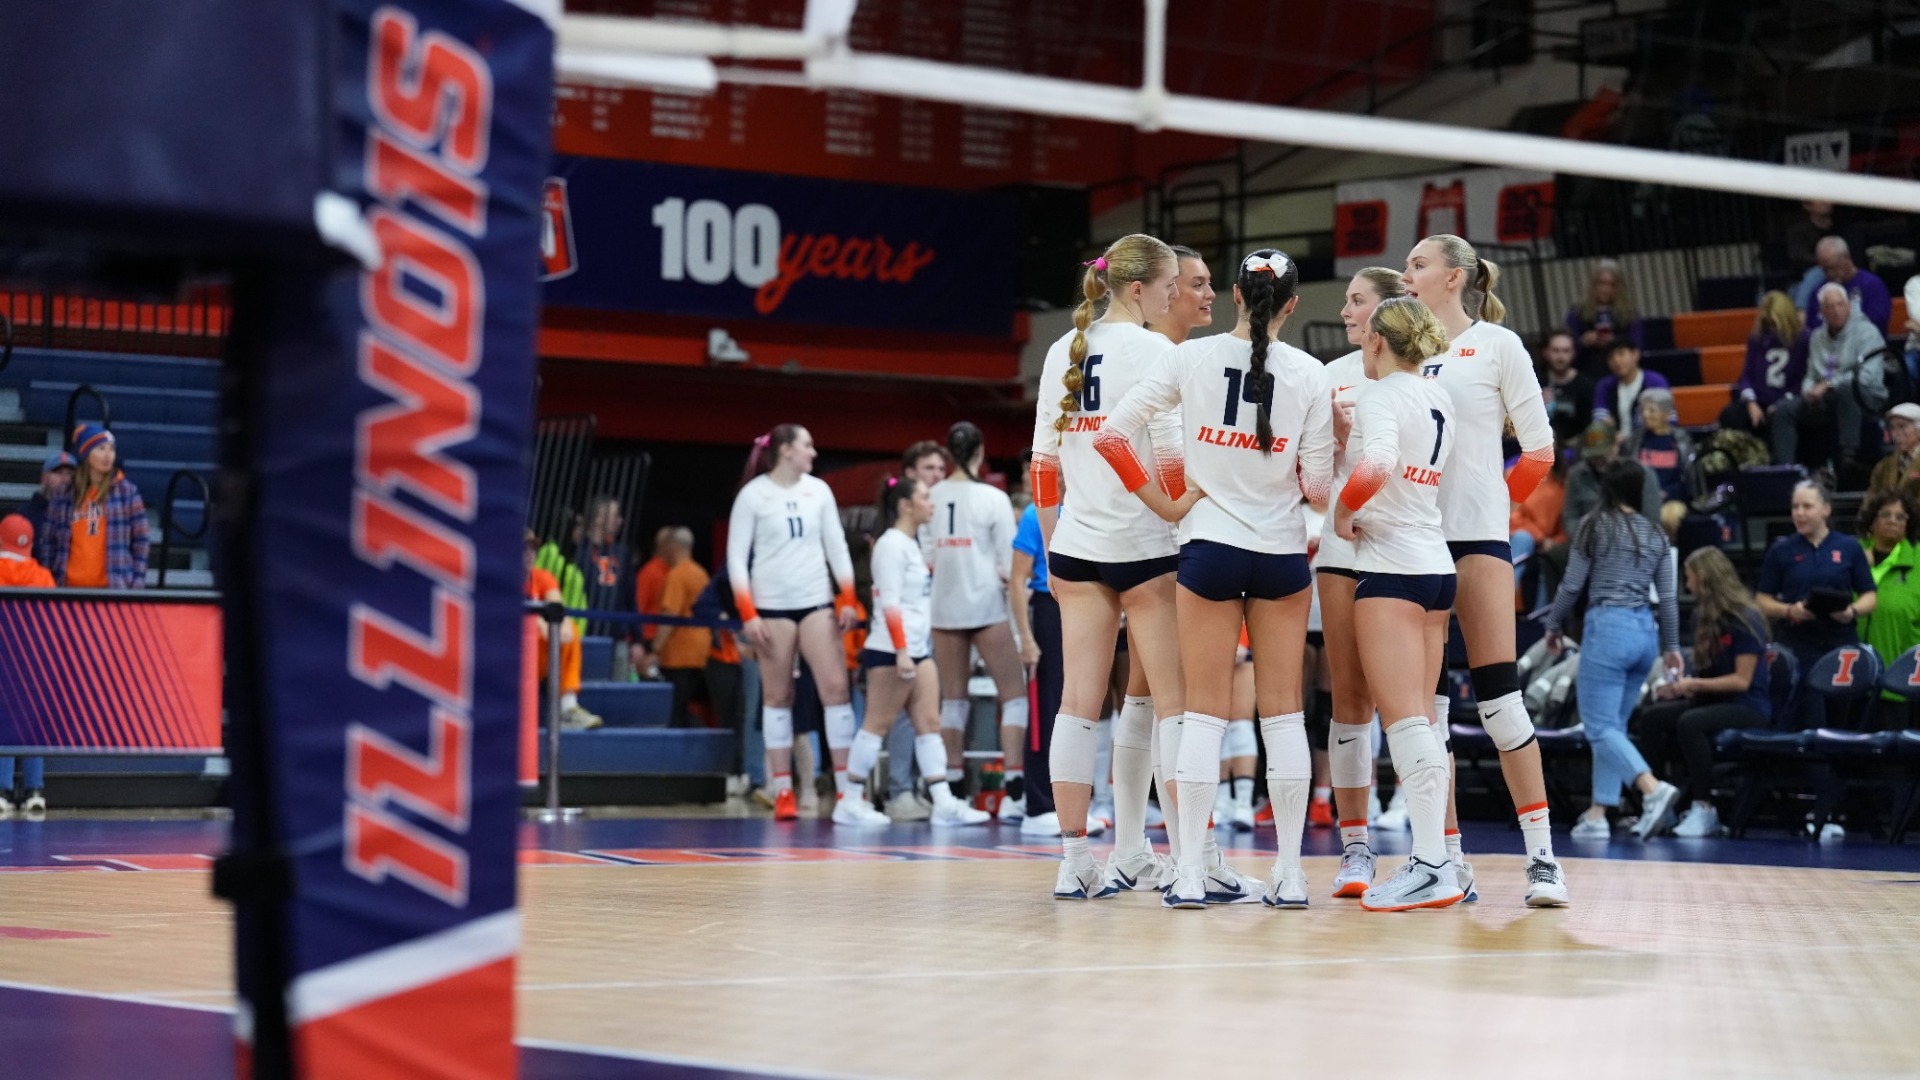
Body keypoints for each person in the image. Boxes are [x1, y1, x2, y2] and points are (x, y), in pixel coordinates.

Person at [1097, 248, 1334, 908]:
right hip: (1284, 555)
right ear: (1291, 305)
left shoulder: (1188, 359)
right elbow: (1317, 492)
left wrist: (1169, 503)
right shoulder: (1312, 374)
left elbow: (1113, 437)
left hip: (1209, 548)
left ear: (1234, 295)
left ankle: (1193, 872)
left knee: (1201, 718)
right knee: (1284, 719)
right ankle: (1289, 872)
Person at [1030, 233, 1202, 900]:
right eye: (1167, 286)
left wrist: (1052, 548)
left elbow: (1044, 463)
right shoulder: (1156, 350)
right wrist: (1189, 515)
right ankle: (1191, 860)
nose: (1173, 296)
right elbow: (1170, 459)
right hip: (1146, 545)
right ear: (1138, 289)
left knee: (1078, 704)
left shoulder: (1060, 350)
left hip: (1075, 545)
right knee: (1174, 705)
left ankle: (1076, 859)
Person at [1402, 234, 1568, 907]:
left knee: (1500, 701)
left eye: (1418, 265)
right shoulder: (1400, 353)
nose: (1406, 275)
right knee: (1427, 712)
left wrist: (1496, 503)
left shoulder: (1496, 346)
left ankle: (1544, 860)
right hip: (1412, 546)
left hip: (1476, 541)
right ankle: (1447, 860)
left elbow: (1539, 452)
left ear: (1456, 276)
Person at [1330, 296, 1462, 911]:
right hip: (1436, 565)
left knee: (1405, 721)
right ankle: (1440, 861)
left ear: (1378, 341)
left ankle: (1432, 866)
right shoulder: (1438, 396)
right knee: (1424, 722)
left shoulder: (1380, 394)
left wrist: (1344, 510)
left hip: (1392, 568)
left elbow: (1379, 462)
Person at [1314, 265, 1405, 899]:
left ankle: (1439, 849)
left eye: (1357, 301)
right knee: (1348, 699)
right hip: (1342, 549)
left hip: (1403, 549)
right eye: (1345, 301)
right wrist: (1339, 444)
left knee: (1414, 707)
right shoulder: (1329, 377)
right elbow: (1313, 482)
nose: (1347, 312)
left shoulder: (1424, 376)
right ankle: (1355, 849)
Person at [1543, 460, 1684, 842]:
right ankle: (1598, 813)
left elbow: (1572, 586)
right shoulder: (1656, 532)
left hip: (1609, 628)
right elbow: (1668, 599)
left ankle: (1652, 789)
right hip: (1646, 633)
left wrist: (1553, 625)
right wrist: (1672, 647)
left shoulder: (1594, 524)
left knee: (1598, 726)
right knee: (1613, 728)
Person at [727, 424, 862, 821]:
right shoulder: (753, 496)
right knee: (777, 695)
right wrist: (748, 614)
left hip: (816, 600)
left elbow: (835, 545)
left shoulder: (819, 490)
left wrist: (848, 598)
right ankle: (782, 787)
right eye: (807, 444)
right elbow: (737, 558)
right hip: (771, 607)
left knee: (836, 688)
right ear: (786, 450)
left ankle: (844, 791)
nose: (813, 452)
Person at [839, 476, 991, 827]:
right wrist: (902, 651)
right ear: (906, 505)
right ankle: (849, 799)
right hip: (892, 649)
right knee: (877, 724)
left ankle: (943, 804)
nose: (932, 502)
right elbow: (889, 603)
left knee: (929, 725)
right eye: (925, 496)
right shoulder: (890, 545)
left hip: (917, 648)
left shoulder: (910, 545)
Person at [927, 422, 1030, 822]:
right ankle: (1014, 789)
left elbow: (926, 554)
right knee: (1014, 695)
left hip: (945, 608)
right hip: (987, 606)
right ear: (980, 451)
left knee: (952, 700)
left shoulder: (932, 495)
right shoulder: (992, 497)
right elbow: (1009, 560)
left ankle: (953, 793)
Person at [1633, 547, 1773, 839]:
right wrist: (1678, 687)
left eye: (1690, 577)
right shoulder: (1702, 617)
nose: (1687, 585)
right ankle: (1659, 802)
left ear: (1706, 579)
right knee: (1652, 717)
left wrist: (1693, 686)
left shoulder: (1745, 618)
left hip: (1749, 706)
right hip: (1715, 700)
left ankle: (1704, 807)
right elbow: (1708, 675)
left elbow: (1741, 682)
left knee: (1691, 722)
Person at [1754, 481, 1877, 731]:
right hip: (1799, 644)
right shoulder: (1781, 550)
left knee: (1841, 720)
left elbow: (1870, 596)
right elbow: (1761, 600)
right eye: (1795, 507)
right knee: (1810, 717)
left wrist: (1852, 611)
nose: (1799, 513)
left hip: (1840, 644)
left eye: (1807, 506)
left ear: (1826, 510)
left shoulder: (1849, 547)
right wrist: (1788, 610)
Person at [884, 439, 953, 821]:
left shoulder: (932, 516)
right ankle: (898, 791)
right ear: (909, 476)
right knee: (895, 713)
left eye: (941, 470)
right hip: (901, 635)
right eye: (929, 470)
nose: (937, 477)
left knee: (926, 713)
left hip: (928, 623)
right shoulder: (895, 536)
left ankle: (928, 790)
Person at [1771, 282, 1889, 473]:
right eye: (1830, 306)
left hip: (1865, 397)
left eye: (1840, 304)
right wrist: (1809, 391)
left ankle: (1849, 455)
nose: (1836, 311)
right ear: (1821, 312)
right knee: (1784, 410)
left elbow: (1868, 377)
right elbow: (1811, 375)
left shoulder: (1868, 333)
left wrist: (1828, 384)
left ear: (1849, 306)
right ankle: (1786, 470)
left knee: (1846, 388)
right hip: (1827, 401)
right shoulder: (1817, 337)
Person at [1009, 494, 1064, 835]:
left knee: (1077, 709)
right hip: (1048, 607)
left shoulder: (1089, 500)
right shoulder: (1035, 512)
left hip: (1083, 605)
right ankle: (1039, 803)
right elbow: (1017, 580)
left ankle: (1070, 802)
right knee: (1046, 705)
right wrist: (1026, 639)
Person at [39, 425, 147, 590]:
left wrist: (136, 584)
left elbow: (141, 541)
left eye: (111, 449)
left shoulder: (127, 492)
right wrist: (49, 580)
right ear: (86, 453)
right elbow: (48, 540)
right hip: (67, 588)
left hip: (113, 590)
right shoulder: (65, 493)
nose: (107, 455)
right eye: (101, 448)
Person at [0, 513, 54, 815]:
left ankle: (3, 790)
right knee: (34, 727)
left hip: (3, 660)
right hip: (35, 664)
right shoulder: (43, 576)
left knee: (4, 726)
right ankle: (35, 790)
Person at [525, 529, 602, 730]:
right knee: (529, 625)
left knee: (572, 631)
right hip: (505, 659)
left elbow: (561, 617)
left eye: (533, 549)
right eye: (523, 548)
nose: (528, 554)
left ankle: (568, 709)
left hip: (536, 661)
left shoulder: (542, 577)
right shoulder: (499, 580)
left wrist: (552, 627)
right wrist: (543, 625)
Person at [1720, 291, 1809, 439]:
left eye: (1774, 324)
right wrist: (1751, 402)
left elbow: (1804, 380)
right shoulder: (1757, 338)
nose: (1771, 329)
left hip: (1787, 401)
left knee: (1782, 418)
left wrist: (1782, 403)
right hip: (1759, 401)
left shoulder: (1803, 339)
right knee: (1730, 414)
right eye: (1767, 323)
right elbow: (1746, 376)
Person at [1857, 491, 1920, 701]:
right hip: (1851, 678)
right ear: (1872, 522)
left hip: (1906, 680)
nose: (1893, 520)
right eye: (1886, 515)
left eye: (1900, 517)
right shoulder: (1852, 554)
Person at [649, 527, 713, 728]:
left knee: (674, 712)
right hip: (701, 652)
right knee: (685, 706)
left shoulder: (677, 575)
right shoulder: (701, 573)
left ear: (673, 547)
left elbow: (670, 615)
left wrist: (655, 649)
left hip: (678, 655)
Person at [576, 496, 644, 676]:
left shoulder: (622, 553)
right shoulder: (578, 550)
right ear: (598, 518)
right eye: (615, 515)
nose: (620, 520)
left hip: (617, 639)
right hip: (582, 635)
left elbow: (630, 597)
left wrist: (637, 639)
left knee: (616, 691)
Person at [1563, 419, 1662, 533]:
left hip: (1632, 542)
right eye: (1594, 455)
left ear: (1616, 446)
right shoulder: (1577, 475)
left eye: (1603, 454)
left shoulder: (1642, 474)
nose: (1598, 460)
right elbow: (1570, 517)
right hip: (1587, 541)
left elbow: (1652, 520)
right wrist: (1585, 538)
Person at [1623, 388, 1695, 538]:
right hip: (1639, 499)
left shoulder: (1681, 441)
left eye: (1652, 411)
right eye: (1643, 411)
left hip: (1672, 499)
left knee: (1668, 517)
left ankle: (1667, 557)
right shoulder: (1635, 441)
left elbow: (1688, 479)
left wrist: (1666, 494)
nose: (1645, 415)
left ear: (1667, 414)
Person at [1566, 259, 1643, 376]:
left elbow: (1636, 345)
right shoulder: (1577, 313)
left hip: (1622, 372)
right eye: (1602, 283)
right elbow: (1568, 345)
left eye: (1612, 285)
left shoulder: (1629, 313)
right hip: (1586, 369)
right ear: (1593, 285)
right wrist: (1583, 341)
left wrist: (1616, 342)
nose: (1606, 289)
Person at [1803, 236, 1891, 335]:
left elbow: (1877, 324)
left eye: (1833, 267)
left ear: (1847, 257)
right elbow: (1811, 328)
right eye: (1825, 269)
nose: (1830, 273)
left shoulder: (1872, 286)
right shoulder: (1819, 292)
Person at [1590, 340, 1670, 433]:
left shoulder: (1655, 382)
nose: (1616, 360)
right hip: (1615, 443)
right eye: (1611, 357)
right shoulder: (1604, 386)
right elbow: (1599, 420)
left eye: (1621, 354)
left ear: (1635, 354)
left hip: (1649, 441)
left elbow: (1669, 419)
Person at [1153, 245, 1216, 345]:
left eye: (1209, 283)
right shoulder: (1143, 353)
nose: (1211, 294)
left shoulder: (1184, 353)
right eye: (1198, 284)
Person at [633, 526, 675, 674]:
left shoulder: (672, 573)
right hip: (649, 644)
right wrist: (638, 644)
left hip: (664, 645)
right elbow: (638, 608)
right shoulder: (650, 572)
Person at [1539, 329, 1594, 435]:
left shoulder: (1587, 386)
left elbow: (1590, 426)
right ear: (1545, 353)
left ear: (1573, 353)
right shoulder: (1536, 385)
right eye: (1555, 350)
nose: (1561, 357)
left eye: (1566, 351)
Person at [1867, 402, 1920, 506]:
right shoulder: (1883, 466)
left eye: (1902, 426)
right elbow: (1870, 503)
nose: (1895, 434)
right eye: (1892, 428)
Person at [13, 452, 74, 542]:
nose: (65, 479)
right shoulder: (24, 515)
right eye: (59, 473)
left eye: (70, 474)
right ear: (44, 477)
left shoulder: (81, 513)